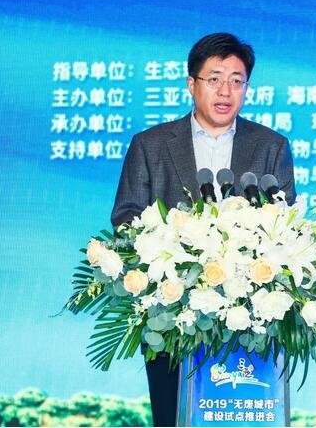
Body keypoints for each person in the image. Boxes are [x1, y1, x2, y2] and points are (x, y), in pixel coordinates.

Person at [110, 32, 296, 427]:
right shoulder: (150, 145)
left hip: (251, 324)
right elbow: (126, 218)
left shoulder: (271, 146)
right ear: (191, 84)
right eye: (214, 79)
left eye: (236, 80)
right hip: (171, 319)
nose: (226, 90)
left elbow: (286, 227)